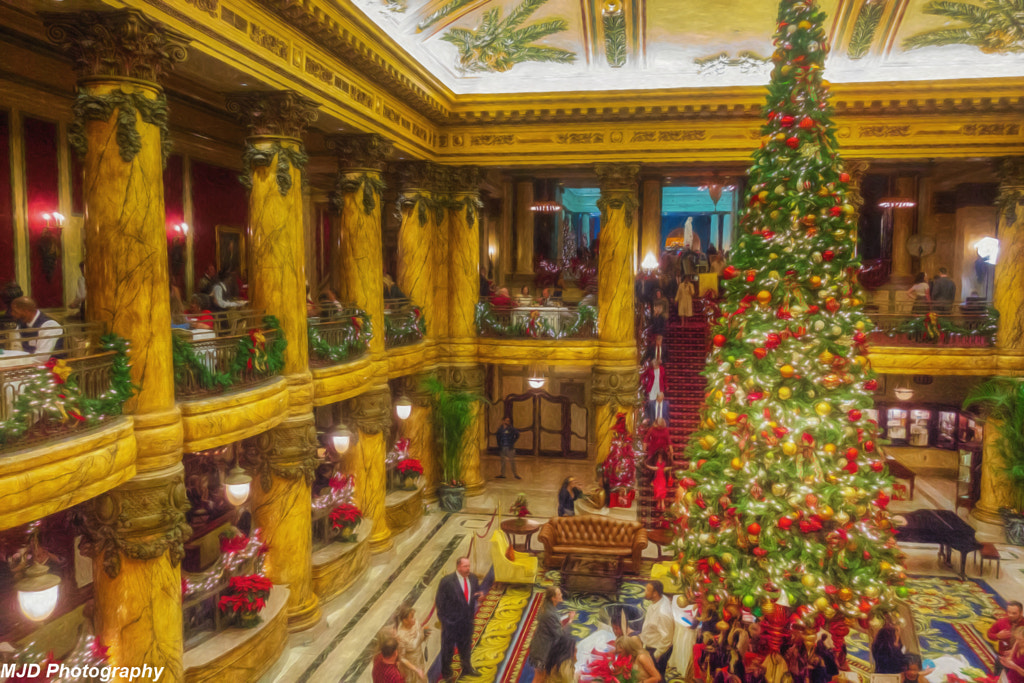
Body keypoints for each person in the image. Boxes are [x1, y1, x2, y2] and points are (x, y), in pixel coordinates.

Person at [435, 557, 481, 680]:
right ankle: (447, 672)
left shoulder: (473, 578)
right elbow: (440, 603)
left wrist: (478, 596)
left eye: (469, 566)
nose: (468, 569)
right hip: (451, 624)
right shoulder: (447, 582)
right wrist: (445, 621)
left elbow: (474, 594)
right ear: (458, 567)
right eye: (465, 566)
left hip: (467, 623)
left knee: (465, 646)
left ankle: (467, 668)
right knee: (448, 649)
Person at [529, 586, 576, 682]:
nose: (561, 595)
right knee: (540, 677)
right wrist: (570, 620)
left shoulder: (547, 607)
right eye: (559, 594)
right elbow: (560, 635)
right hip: (542, 652)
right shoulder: (549, 613)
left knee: (543, 676)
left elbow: (553, 627)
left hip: (541, 647)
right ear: (553, 598)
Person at [640, 580, 674, 676]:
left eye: (647, 590)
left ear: (655, 594)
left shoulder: (662, 614)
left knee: (657, 675)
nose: (645, 592)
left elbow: (667, 639)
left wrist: (655, 657)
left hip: (657, 650)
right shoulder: (660, 599)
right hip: (651, 645)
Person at [394, 604, 429, 683]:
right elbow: (401, 658)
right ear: (405, 620)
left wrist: (425, 635)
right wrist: (416, 669)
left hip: (419, 659)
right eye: (411, 617)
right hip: (411, 668)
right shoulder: (401, 636)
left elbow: (419, 640)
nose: (414, 619)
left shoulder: (415, 623)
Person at [989, 600, 1024, 670]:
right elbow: (989, 634)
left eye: (1014, 613)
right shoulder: (1001, 622)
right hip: (1002, 657)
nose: (1010, 615)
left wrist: (1014, 651)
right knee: (998, 677)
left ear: (1021, 613)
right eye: (1009, 612)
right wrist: (997, 636)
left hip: (1019, 660)